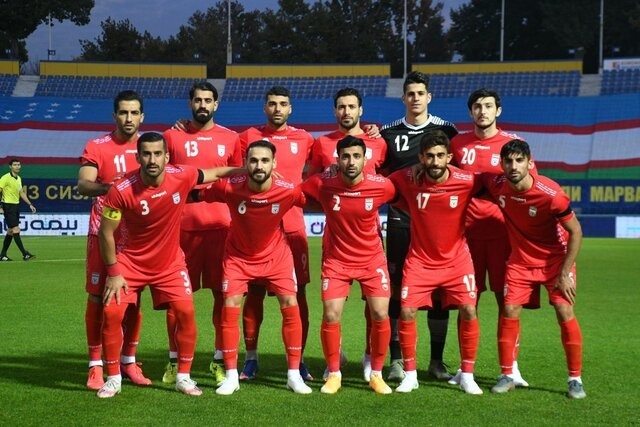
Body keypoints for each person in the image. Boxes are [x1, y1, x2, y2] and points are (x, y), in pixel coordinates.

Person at [96, 132, 240, 398]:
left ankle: (183, 377)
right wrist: (114, 272)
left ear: (167, 156)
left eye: (157, 154)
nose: (152, 160)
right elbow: (106, 232)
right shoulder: (121, 189)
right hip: (130, 262)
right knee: (112, 313)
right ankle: (113, 378)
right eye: (147, 154)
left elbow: (216, 172)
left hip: (170, 264)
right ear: (138, 157)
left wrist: (247, 170)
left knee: (186, 312)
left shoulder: (182, 175)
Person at [195, 140, 312, 396]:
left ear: (274, 164)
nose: (259, 166)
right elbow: (197, 194)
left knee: (290, 303)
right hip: (238, 257)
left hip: (276, 256)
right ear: (245, 163)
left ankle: (293, 375)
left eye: (265, 161)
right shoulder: (229, 186)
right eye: (254, 160)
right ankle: (231, 376)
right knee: (230, 305)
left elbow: (317, 200)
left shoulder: (288, 190)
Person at [483, 139, 586, 399]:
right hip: (520, 261)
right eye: (508, 161)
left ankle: (575, 379)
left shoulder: (551, 195)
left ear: (530, 163)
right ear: (501, 164)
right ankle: (507, 375)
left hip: (555, 261)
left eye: (519, 160)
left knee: (564, 310)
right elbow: (469, 178)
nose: (514, 166)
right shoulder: (497, 184)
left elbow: (576, 232)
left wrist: (565, 273)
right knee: (509, 309)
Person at [389, 130, 482, 395]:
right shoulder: (408, 178)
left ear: (449, 157)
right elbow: (384, 183)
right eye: (429, 156)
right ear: (421, 158)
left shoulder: (467, 180)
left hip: (457, 261)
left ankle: (467, 375)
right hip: (420, 261)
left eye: (441, 155)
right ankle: (410, 375)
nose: (435, 161)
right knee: (407, 311)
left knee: (469, 310)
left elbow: (494, 182)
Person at [380, 71, 458, 382]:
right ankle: (396, 359)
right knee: (397, 290)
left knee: (439, 291)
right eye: (410, 93)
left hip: (437, 223)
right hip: (401, 220)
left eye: (420, 93)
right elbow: (379, 172)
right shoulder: (388, 132)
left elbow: (455, 171)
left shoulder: (446, 130)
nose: (415, 98)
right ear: (403, 98)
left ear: (429, 97)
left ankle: (436, 361)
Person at [163, 81, 242, 386]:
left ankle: (219, 360)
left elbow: (238, 180)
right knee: (177, 300)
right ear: (190, 103)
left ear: (216, 104)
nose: (203, 105)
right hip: (180, 230)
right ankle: (175, 361)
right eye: (198, 100)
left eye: (208, 100)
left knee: (223, 298)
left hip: (221, 229)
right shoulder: (172, 136)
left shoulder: (231, 138)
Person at [301, 136, 394, 395]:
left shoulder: (382, 185)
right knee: (331, 314)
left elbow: (404, 194)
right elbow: (298, 192)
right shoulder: (323, 182)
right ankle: (334, 373)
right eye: (345, 156)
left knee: (380, 314)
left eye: (356, 156)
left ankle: (376, 373)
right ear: (337, 159)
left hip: (372, 260)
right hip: (337, 260)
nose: (351, 161)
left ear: (365, 159)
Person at [448, 88, 529, 387]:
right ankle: (464, 368)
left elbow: (528, 188)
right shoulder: (457, 144)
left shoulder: (513, 145)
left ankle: (511, 368)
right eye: (477, 107)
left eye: (488, 106)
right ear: (471, 112)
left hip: (503, 236)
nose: (483, 111)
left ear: (498, 110)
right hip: (466, 236)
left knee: (507, 301)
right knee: (467, 302)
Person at [308, 87, 386, 380]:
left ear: (360, 110)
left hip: (370, 237)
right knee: (332, 307)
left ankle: (369, 356)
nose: (346, 112)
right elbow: (312, 184)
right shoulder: (322, 143)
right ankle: (335, 356)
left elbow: (387, 182)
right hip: (336, 241)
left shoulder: (378, 142)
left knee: (373, 305)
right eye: (341, 107)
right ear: (335, 110)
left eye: (351, 106)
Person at [237, 86, 315, 381]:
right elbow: (235, 170)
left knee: (297, 294)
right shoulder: (247, 137)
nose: (277, 108)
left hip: (292, 228)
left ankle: (299, 359)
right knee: (254, 293)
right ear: (264, 107)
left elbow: (323, 168)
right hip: (256, 227)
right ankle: (251, 358)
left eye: (283, 104)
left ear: (290, 108)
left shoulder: (305, 139)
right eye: (272, 103)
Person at [76, 90, 149, 390]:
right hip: (101, 233)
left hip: (136, 240)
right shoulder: (98, 146)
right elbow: (83, 184)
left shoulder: (150, 148)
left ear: (142, 116)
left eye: (134, 113)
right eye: (123, 112)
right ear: (114, 115)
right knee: (97, 297)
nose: (128, 118)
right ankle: (95, 366)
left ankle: (128, 361)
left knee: (133, 302)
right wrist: (112, 188)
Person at [0, 159, 36, 261]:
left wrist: (30, 204)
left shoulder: (18, 178)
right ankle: (25, 254)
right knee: (16, 229)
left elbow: (21, 193)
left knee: (10, 231)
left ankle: (2, 255)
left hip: (15, 206)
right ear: (10, 167)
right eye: (15, 165)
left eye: (19, 165)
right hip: (8, 206)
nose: (17, 166)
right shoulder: (5, 178)